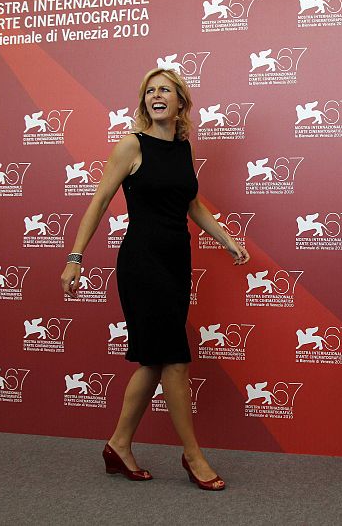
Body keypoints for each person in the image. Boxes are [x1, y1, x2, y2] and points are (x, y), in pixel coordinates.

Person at [60, 68, 250, 491]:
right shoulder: (131, 144)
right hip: (142, 264)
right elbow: (99, 201)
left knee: (153, 360)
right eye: (150, 91)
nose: (156, 95)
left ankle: (118, 445)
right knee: (176, 360)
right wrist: (75, 258)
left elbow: (191, 204)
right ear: (144, 101)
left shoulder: (183, 147)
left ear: (181, 101)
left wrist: (226, 239)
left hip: (175, 262)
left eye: (165, 90)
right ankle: (193, 455)